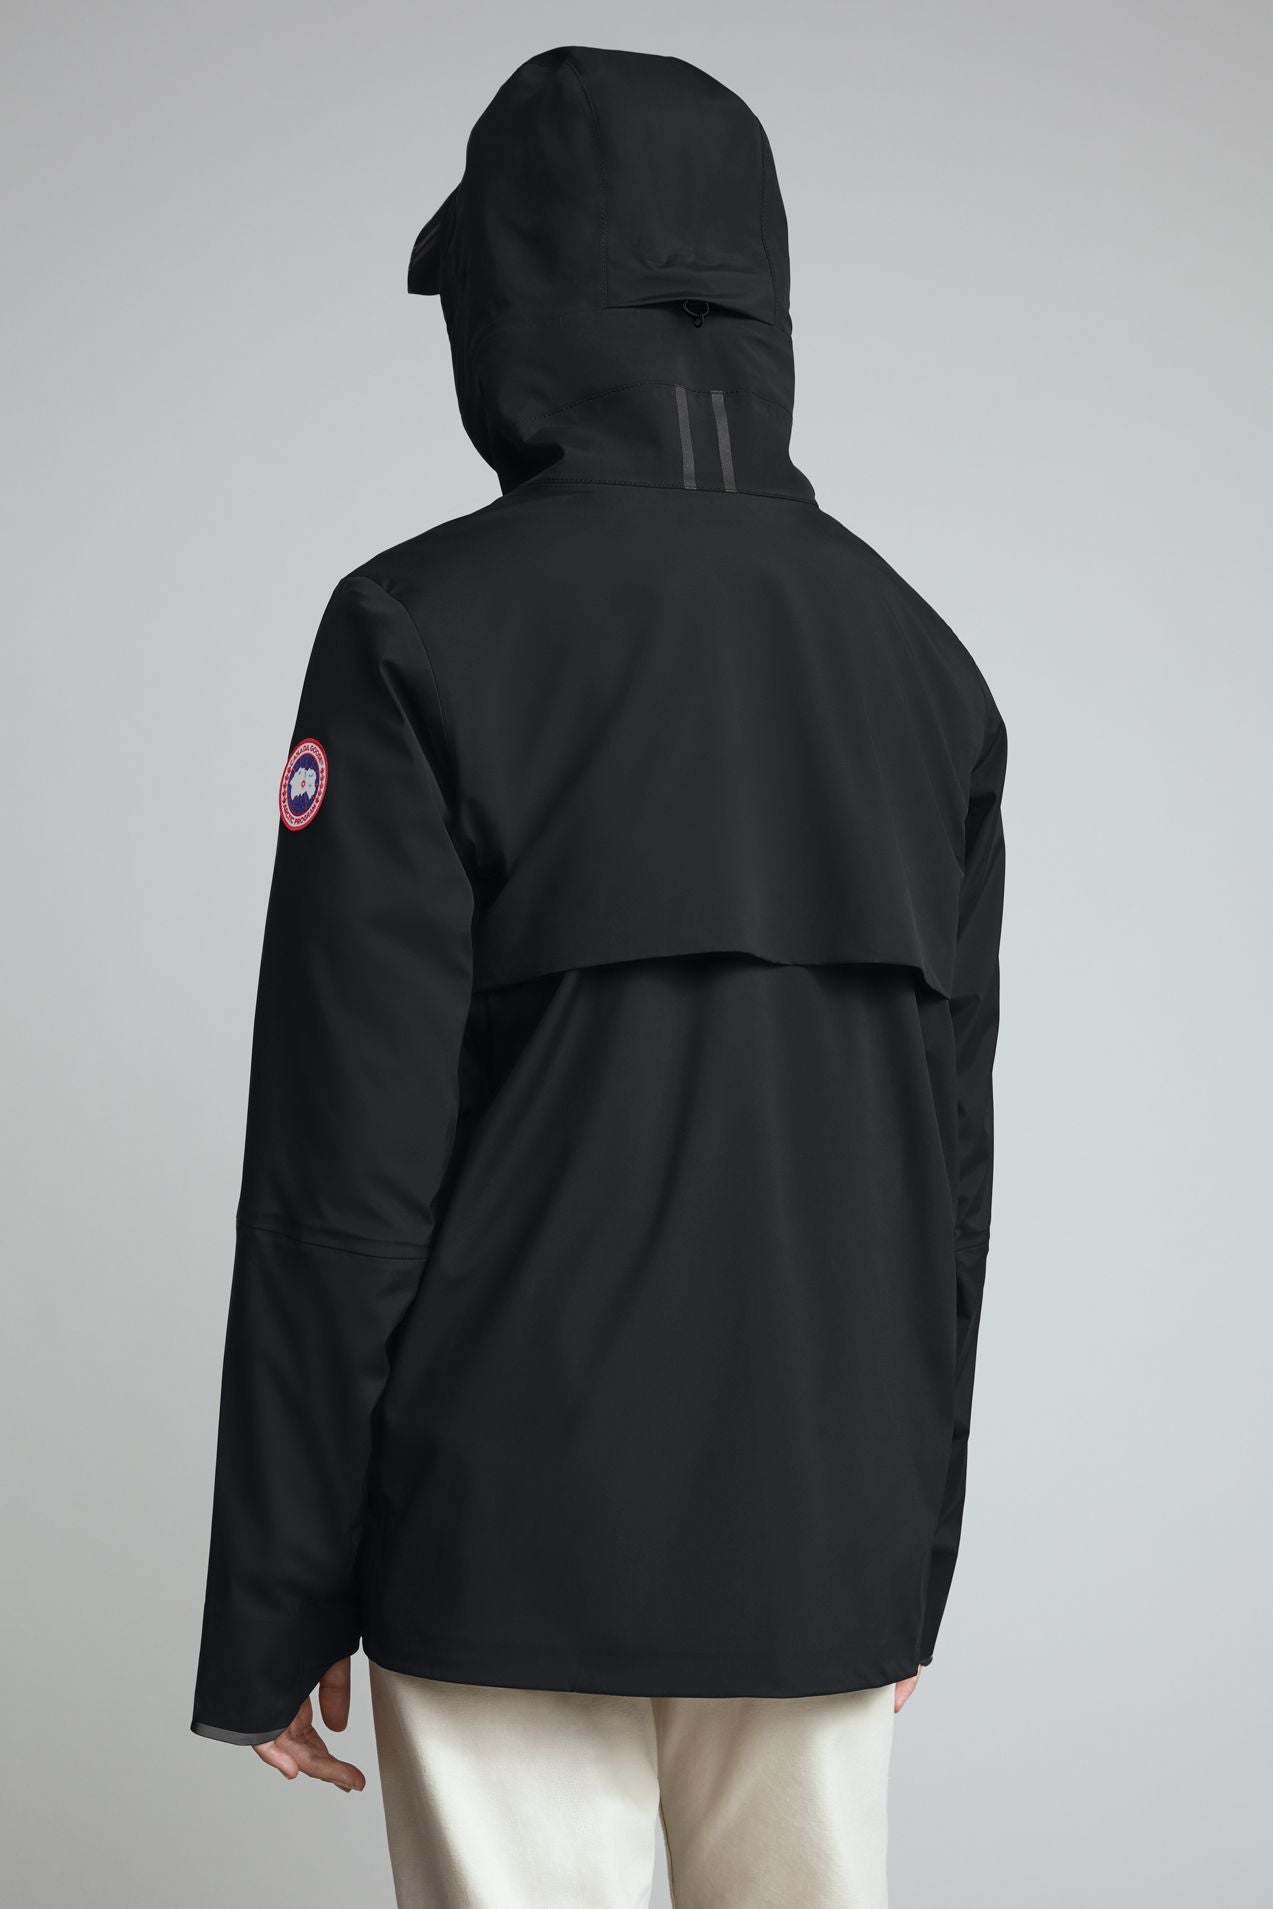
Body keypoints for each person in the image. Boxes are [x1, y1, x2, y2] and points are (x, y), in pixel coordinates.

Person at [192, 45, 1008, 1909]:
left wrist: (275, 1600)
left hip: (501, 1536)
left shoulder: (416, 628)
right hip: (823, 1537)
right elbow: (946, 1179)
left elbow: (339, 1169)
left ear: (508, 306)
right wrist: (907, 1555)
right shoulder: (924, 664)